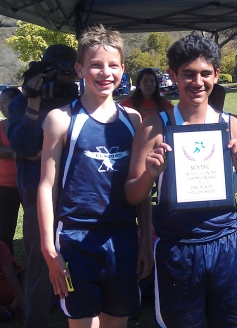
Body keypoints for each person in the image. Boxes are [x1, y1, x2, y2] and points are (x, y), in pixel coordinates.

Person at [125, 34, 237, 327]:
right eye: (188, 74)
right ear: (173, 75)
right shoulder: (154, 128)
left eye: (205, 73)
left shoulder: (233, 126)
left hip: (226, 244)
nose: (197, 81)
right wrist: (150, 174)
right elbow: (132, 196)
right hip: (177, 247)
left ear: (216, 75)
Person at [37, 25, 153, 328]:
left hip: (123, 238)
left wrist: (144, 242)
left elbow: (140, 187)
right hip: (76, 240)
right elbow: (46, 185)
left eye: (113, 65)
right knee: (84, 323)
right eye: (95, 65)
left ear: (123, 69)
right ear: (80, 69)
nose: (105, 73)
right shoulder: (60, 120)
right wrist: (49, 247)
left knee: (117, 321)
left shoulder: (133, 120)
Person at [7, 44, 79, 328]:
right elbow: (23, 145)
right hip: (37, 192)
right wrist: (34, 103)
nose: (64, 78)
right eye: (57, 70)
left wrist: (44, 151)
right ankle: (35, 321)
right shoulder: (22, 102)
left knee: (75, 255)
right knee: (40, 259)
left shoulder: (79, 100)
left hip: (74, 191)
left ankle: (76, 312)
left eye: (68, 71)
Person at [0, 87, 22, 255]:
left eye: (4, 103)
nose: (1, 107)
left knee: (34, 228)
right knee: (5, 230)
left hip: (28, 185)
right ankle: (9, 268)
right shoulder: (0, 126)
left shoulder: (30, 124)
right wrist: (20, 151)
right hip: (5, 187)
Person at [0, 240, 25, 323]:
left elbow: (11, 277)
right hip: (9, 292)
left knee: (29, 275)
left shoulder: (1, 247)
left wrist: (23, 305)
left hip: (14, 290)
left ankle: (11, 309)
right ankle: (12, 309)